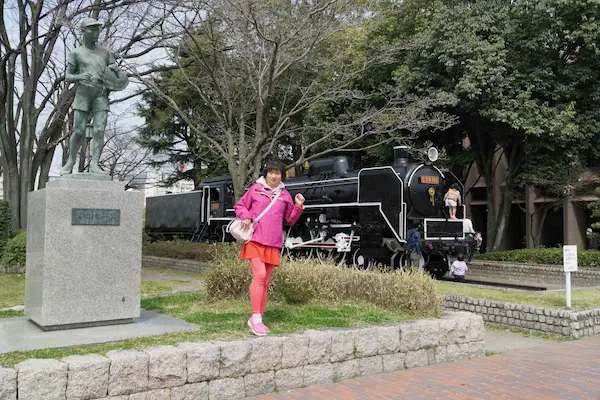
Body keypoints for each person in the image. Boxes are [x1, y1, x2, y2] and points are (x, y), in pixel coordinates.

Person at [234, 160, 305, 336]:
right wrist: (246, 217)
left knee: (265, 282)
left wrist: (298, 206)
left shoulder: (285, 196)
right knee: (259, 275)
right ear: (266, 174)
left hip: (272, 242)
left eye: (277, 173)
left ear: (281, 176)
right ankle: (255, 318)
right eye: (271, 172)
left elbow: (290, 219)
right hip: (255, 239)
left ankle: (258, 318)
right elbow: (240, 205)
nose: (273, 176)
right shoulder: (255, 189)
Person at [60, 18, 128, 176]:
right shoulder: (76, 53)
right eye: (92, 29)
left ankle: (95, 164)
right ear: (83, 31)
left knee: (99, 130)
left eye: (97, 29)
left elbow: (116, 70)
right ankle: (70, 161)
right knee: (78, 131)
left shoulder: (105, 52)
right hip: (83, 94)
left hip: (101, 94)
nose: (96, 33)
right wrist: (80, 76)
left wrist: (120, 77)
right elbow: (68, 76)